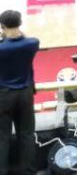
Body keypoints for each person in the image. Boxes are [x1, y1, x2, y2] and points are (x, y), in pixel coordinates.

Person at [0, 10, 37, 175]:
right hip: (25, 95)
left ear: (2, 26)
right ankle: (28, 171)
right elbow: (26, 38)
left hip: (3, 95)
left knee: (2, 137)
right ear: (20, 23)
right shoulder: (32, 43)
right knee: (27, 135)